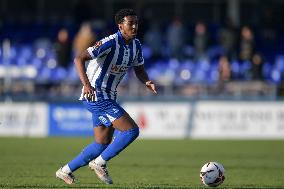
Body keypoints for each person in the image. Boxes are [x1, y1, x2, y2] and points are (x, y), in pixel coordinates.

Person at [55, 8, 157, 185]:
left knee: (102, 143)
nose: (134, 26)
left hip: (109, 96)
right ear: (120, 26)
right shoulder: (110, 42)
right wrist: (86, 84)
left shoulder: (136, 45)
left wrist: (147, 81)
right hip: (96, 95)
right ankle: (100, 163)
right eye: (130, 23)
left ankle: (65, 171)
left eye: (136, 23)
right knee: (131, 130)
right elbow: (79, 58)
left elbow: (139, 70)